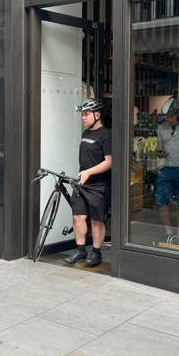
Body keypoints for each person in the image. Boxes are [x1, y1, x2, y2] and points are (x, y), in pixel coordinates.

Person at [65, 98, 112, 268]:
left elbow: (109, 161)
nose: (83, 117)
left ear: (97, 115)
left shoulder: (106, 135)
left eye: (86, 114)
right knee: (78, 217)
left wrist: (89, 172)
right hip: (82, 183)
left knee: (96, 221)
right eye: (82, 114)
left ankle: (96, 252)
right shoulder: (86, 133)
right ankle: (80, 250)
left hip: (99, 185)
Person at [155, 98, 179, 239]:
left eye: (171, 116)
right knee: (159, 201)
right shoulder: (161, 128)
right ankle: (169, 230)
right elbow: (158, 148)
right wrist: (159, 153)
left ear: (178, 113)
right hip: (167, 168)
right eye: (166, 117)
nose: (168, 119)